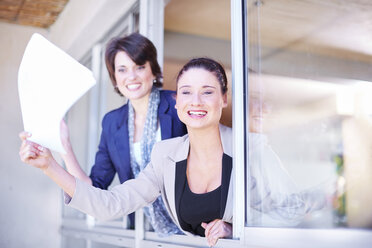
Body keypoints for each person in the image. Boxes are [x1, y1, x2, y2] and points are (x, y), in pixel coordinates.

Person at [19, 57, 233, 247]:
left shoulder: (248, 149)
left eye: (207, 92)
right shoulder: (164, 154)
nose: (195, 101)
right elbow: (109, 203)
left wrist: (234, 229)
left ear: (224, 98)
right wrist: (49, 165)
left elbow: (266, 214)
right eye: (186, 92)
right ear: (177, 101)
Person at [60, 33, 187, 235]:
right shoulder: (112, 123)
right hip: (141, 234)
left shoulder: (177, 105)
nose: (131, 77)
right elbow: (94, 190)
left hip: (190, 227)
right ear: (115, 78)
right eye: (122, 70)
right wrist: (64, 145)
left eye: (139, 67)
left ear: (153, 71)